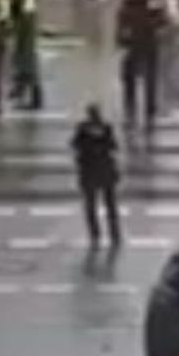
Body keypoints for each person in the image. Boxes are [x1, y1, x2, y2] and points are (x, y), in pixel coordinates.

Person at [71, 104, 122, 248]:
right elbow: (113, 146)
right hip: (105, 172)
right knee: (109, 205)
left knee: (91, 206)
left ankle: (95, 234)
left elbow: (75, 146)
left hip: (89, 173)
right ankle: (114, 233)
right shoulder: (106, 128)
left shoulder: (82, 130)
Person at [116, 0, 166, 123]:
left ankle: (132, 106)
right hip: (148, 47)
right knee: (149, 79)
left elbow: (121, 30)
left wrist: (122, 40)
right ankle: (147, 108)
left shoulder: (128, 9)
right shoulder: (151, 9)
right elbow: (162, 23)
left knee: (131, 79)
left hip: (136, 47)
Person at [7, 0, 43, 111]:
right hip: (28, 21)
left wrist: (11, 23)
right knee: (23, 58)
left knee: (26, 59)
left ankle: (34, 97)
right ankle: (23, 91)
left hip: (24, 23)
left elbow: (15, 8)